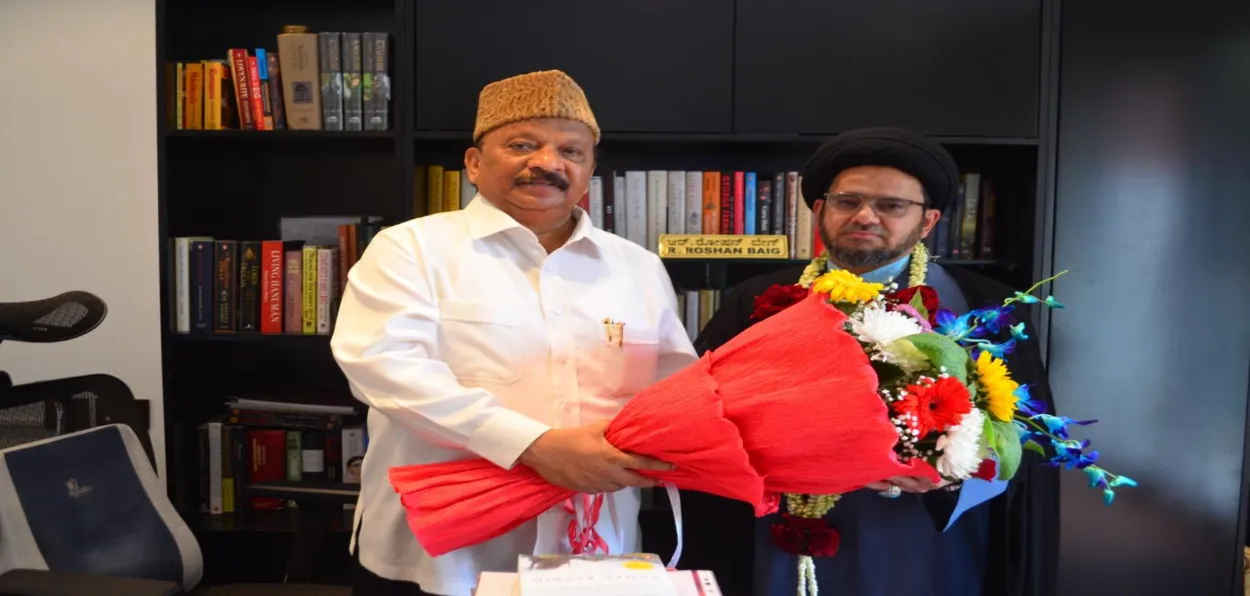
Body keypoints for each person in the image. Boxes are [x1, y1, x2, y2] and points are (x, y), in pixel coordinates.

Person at [330, 69, 698, 596]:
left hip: (596, 552)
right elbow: (383, 368)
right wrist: (535, 446)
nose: (548, 162)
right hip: (443, 556)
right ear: (474, 164)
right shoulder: (410, 249)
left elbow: (675, 390)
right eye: (522, 144)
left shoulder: (638, 268)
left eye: (571, 151)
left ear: (590, 170)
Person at [668, 127, 1060, 596]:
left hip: (924, 543)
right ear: (819, 209)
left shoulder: (985, 309)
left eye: (891, 206)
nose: (865, 216)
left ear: (928, 221)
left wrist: (951, 476)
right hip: (782, 538)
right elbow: (697, 417)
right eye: (846, 201)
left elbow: (1022, 449)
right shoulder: (754, 301)